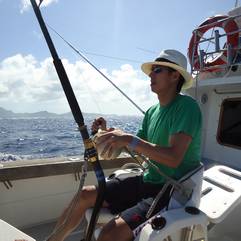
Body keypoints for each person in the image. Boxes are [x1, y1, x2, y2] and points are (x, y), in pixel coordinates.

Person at [47, 49, 202, 241]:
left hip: (170, 191)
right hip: (146, 181)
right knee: (85, 194)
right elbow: (129, 149)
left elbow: (173, 158)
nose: (151, 74)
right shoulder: (152, 112)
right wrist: (105, 134)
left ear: (174, 75)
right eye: (151, 70)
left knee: (109, 234)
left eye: (157, 70)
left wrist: (128, 138)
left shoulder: (187, 107)